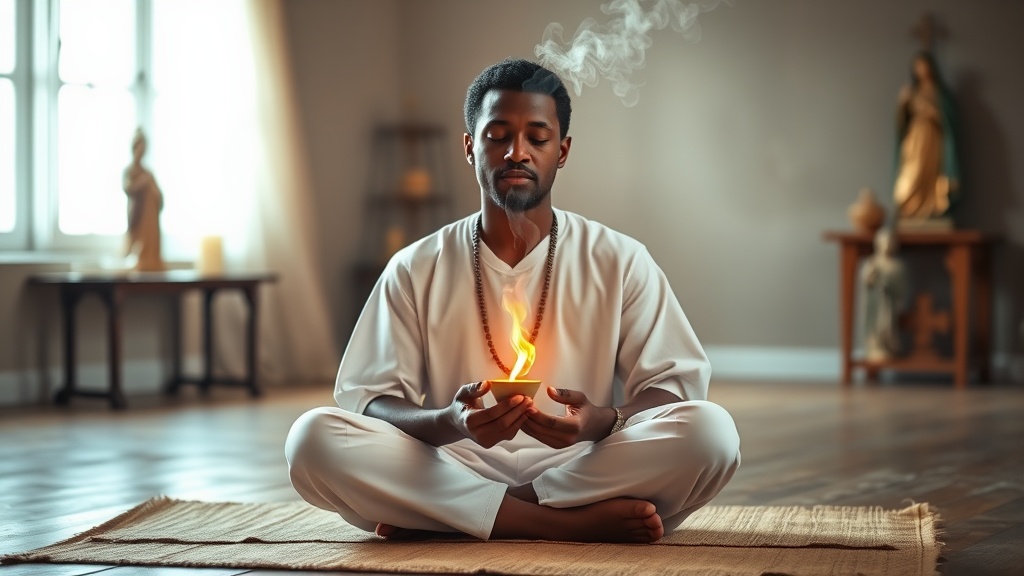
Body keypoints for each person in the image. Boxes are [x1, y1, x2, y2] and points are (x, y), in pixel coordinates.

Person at [285, 58, 740, 543]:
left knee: (712, 433)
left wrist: (600, 422)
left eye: (537, 138)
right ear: (469, 147)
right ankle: (560, 525)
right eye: (497, 135)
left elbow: (674, 388)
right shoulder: (416, 265)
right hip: (451, 463)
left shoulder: (621, 259)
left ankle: (464, 517)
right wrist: (450, 421)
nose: (516, 152)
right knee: (311, 439)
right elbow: (369, 402)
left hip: (585, 466)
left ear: (562, 151)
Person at [892, 51, 960, 221]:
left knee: (931, 172)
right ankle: (909, 207)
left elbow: (949, 120)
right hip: (915, 139)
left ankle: (934, 206)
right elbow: (902, 121)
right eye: (918, 66)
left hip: (933, 138)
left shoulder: (940, 93)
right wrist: (902, 104)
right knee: (912, 173)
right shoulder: (911, 92)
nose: (922, 69)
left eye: (924, 65)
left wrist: (933, 113)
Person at [122, 128, 165, 271]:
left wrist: (156, 194)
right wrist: (143, 182)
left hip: (149, 217)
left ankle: (150, 258)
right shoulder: (130, 171)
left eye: (143, 148)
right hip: (137, 216)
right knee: (136, 242)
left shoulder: (148, 173)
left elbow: (158, 194)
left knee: (150, 240)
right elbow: (128, 188)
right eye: (138, 147)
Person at [861, 228, 908, 360]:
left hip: (890, 303)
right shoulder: (873, 262)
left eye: (890, 242)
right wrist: (871, 275)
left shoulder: (897, 266)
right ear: (878, 244)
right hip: (876, 303)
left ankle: (888, 346)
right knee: (876, 326)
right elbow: (868, 281)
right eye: (884, 242)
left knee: (888, 326)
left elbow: (901, 288)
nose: (887, 245)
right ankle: (875, 346)